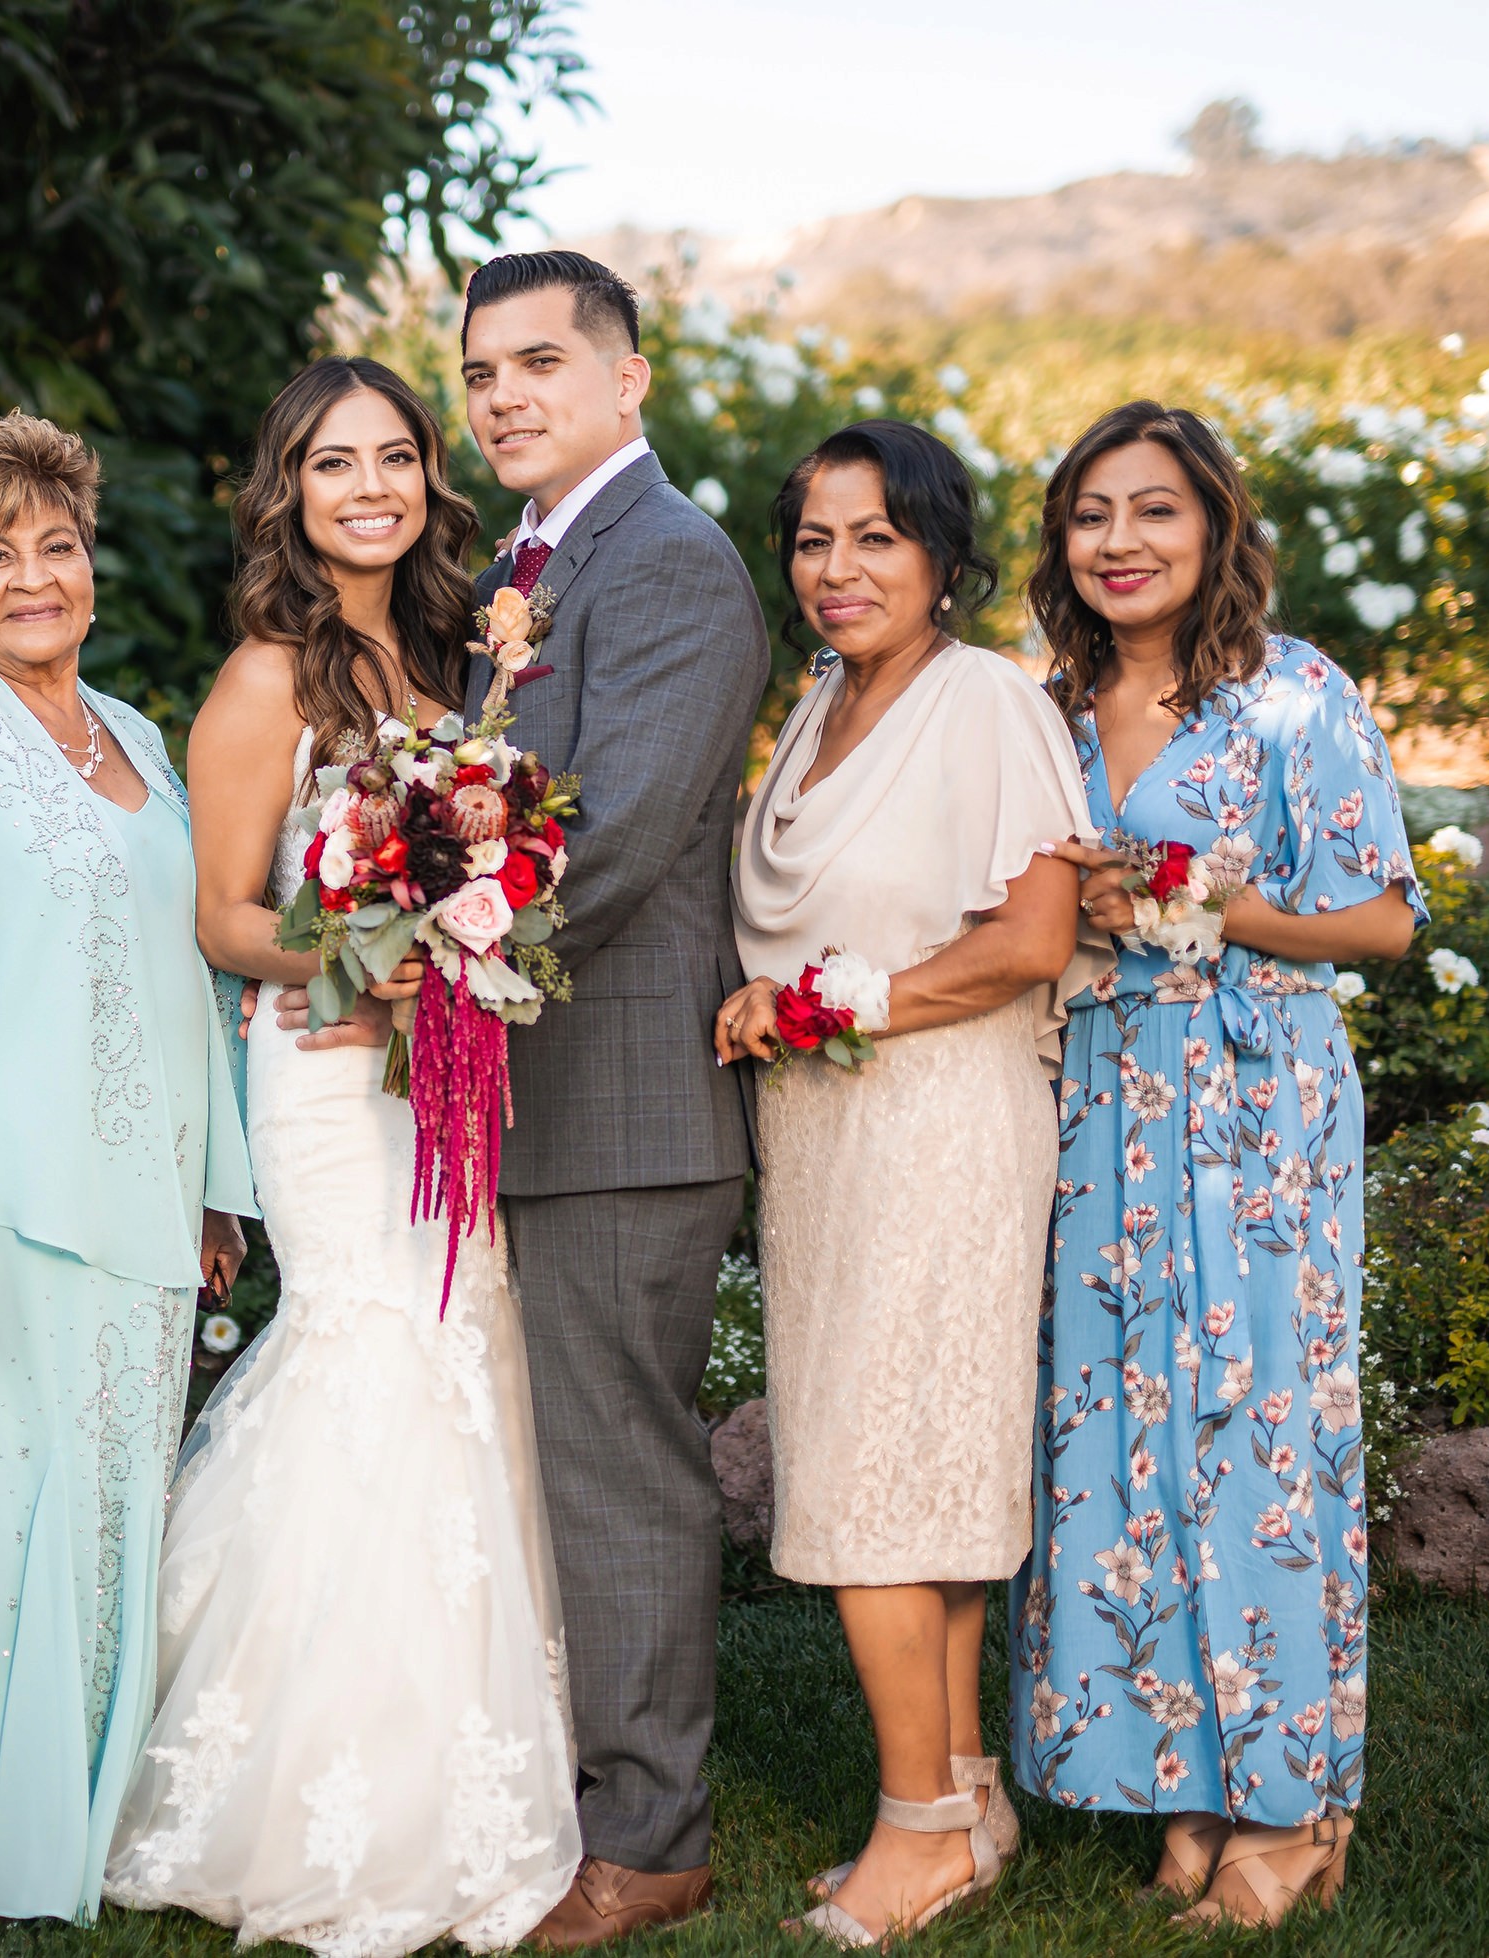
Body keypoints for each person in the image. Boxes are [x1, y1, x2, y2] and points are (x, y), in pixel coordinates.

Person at [275, 251, 770, 1947]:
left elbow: (610, 834)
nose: (499, 398)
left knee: (620, 1473)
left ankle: (648, 1837)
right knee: (557, 1468)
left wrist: (400, 951)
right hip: (527, 1098)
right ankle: (577, 1782)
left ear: (628, 380)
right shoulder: (529, 563)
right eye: (479, 371)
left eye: (539, 364)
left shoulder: (672, 566)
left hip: (619, 1103)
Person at [103, 356, 581, 1953]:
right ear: (288, 492)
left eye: (391, 457)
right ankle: (314, 1784)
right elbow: (218, 910)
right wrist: (346, 955)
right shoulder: (265, 676)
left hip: (440, 1063)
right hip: (324, 1067)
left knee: (463, 1345)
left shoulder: (459, 653)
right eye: (330, 463)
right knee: (368, 1351)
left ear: (426, 480)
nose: (365, 486)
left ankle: (470, 1751)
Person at [1009, 401, 1422, 1926]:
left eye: (1153, 511)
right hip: (1098, 1101)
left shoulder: (1292, 695)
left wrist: (1203, 898)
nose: (1118, 542)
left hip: (1254, 1108)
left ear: (1214, 528)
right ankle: (1180, 1779)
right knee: (1120, 1439)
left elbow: (1381, 920)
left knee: (1259, 1440)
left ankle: (1295, 1800)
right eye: (1090, 514)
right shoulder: (1040, 712)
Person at [0, 410, 256, 1924]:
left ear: (93, 566)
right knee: (3, 1522)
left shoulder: (141, 741)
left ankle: (90, 1820)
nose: (33, 578)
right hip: (8, 1209)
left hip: (147, 1204)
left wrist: (215, 1177)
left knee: (111, 1515)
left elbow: (190, 972)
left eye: (57, 547)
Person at [710, 422, 1092, 1945]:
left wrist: (822, 1005)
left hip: (938, 1118)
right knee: (909, 1464)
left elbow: (1028, 941)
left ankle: (915, 1828)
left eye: (874, 536)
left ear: (940, 552)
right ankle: (968, 1790)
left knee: (882, 1473)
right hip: (823, 1140)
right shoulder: (813, 707)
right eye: (812, 539)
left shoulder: (984, 700)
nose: (838, 569)